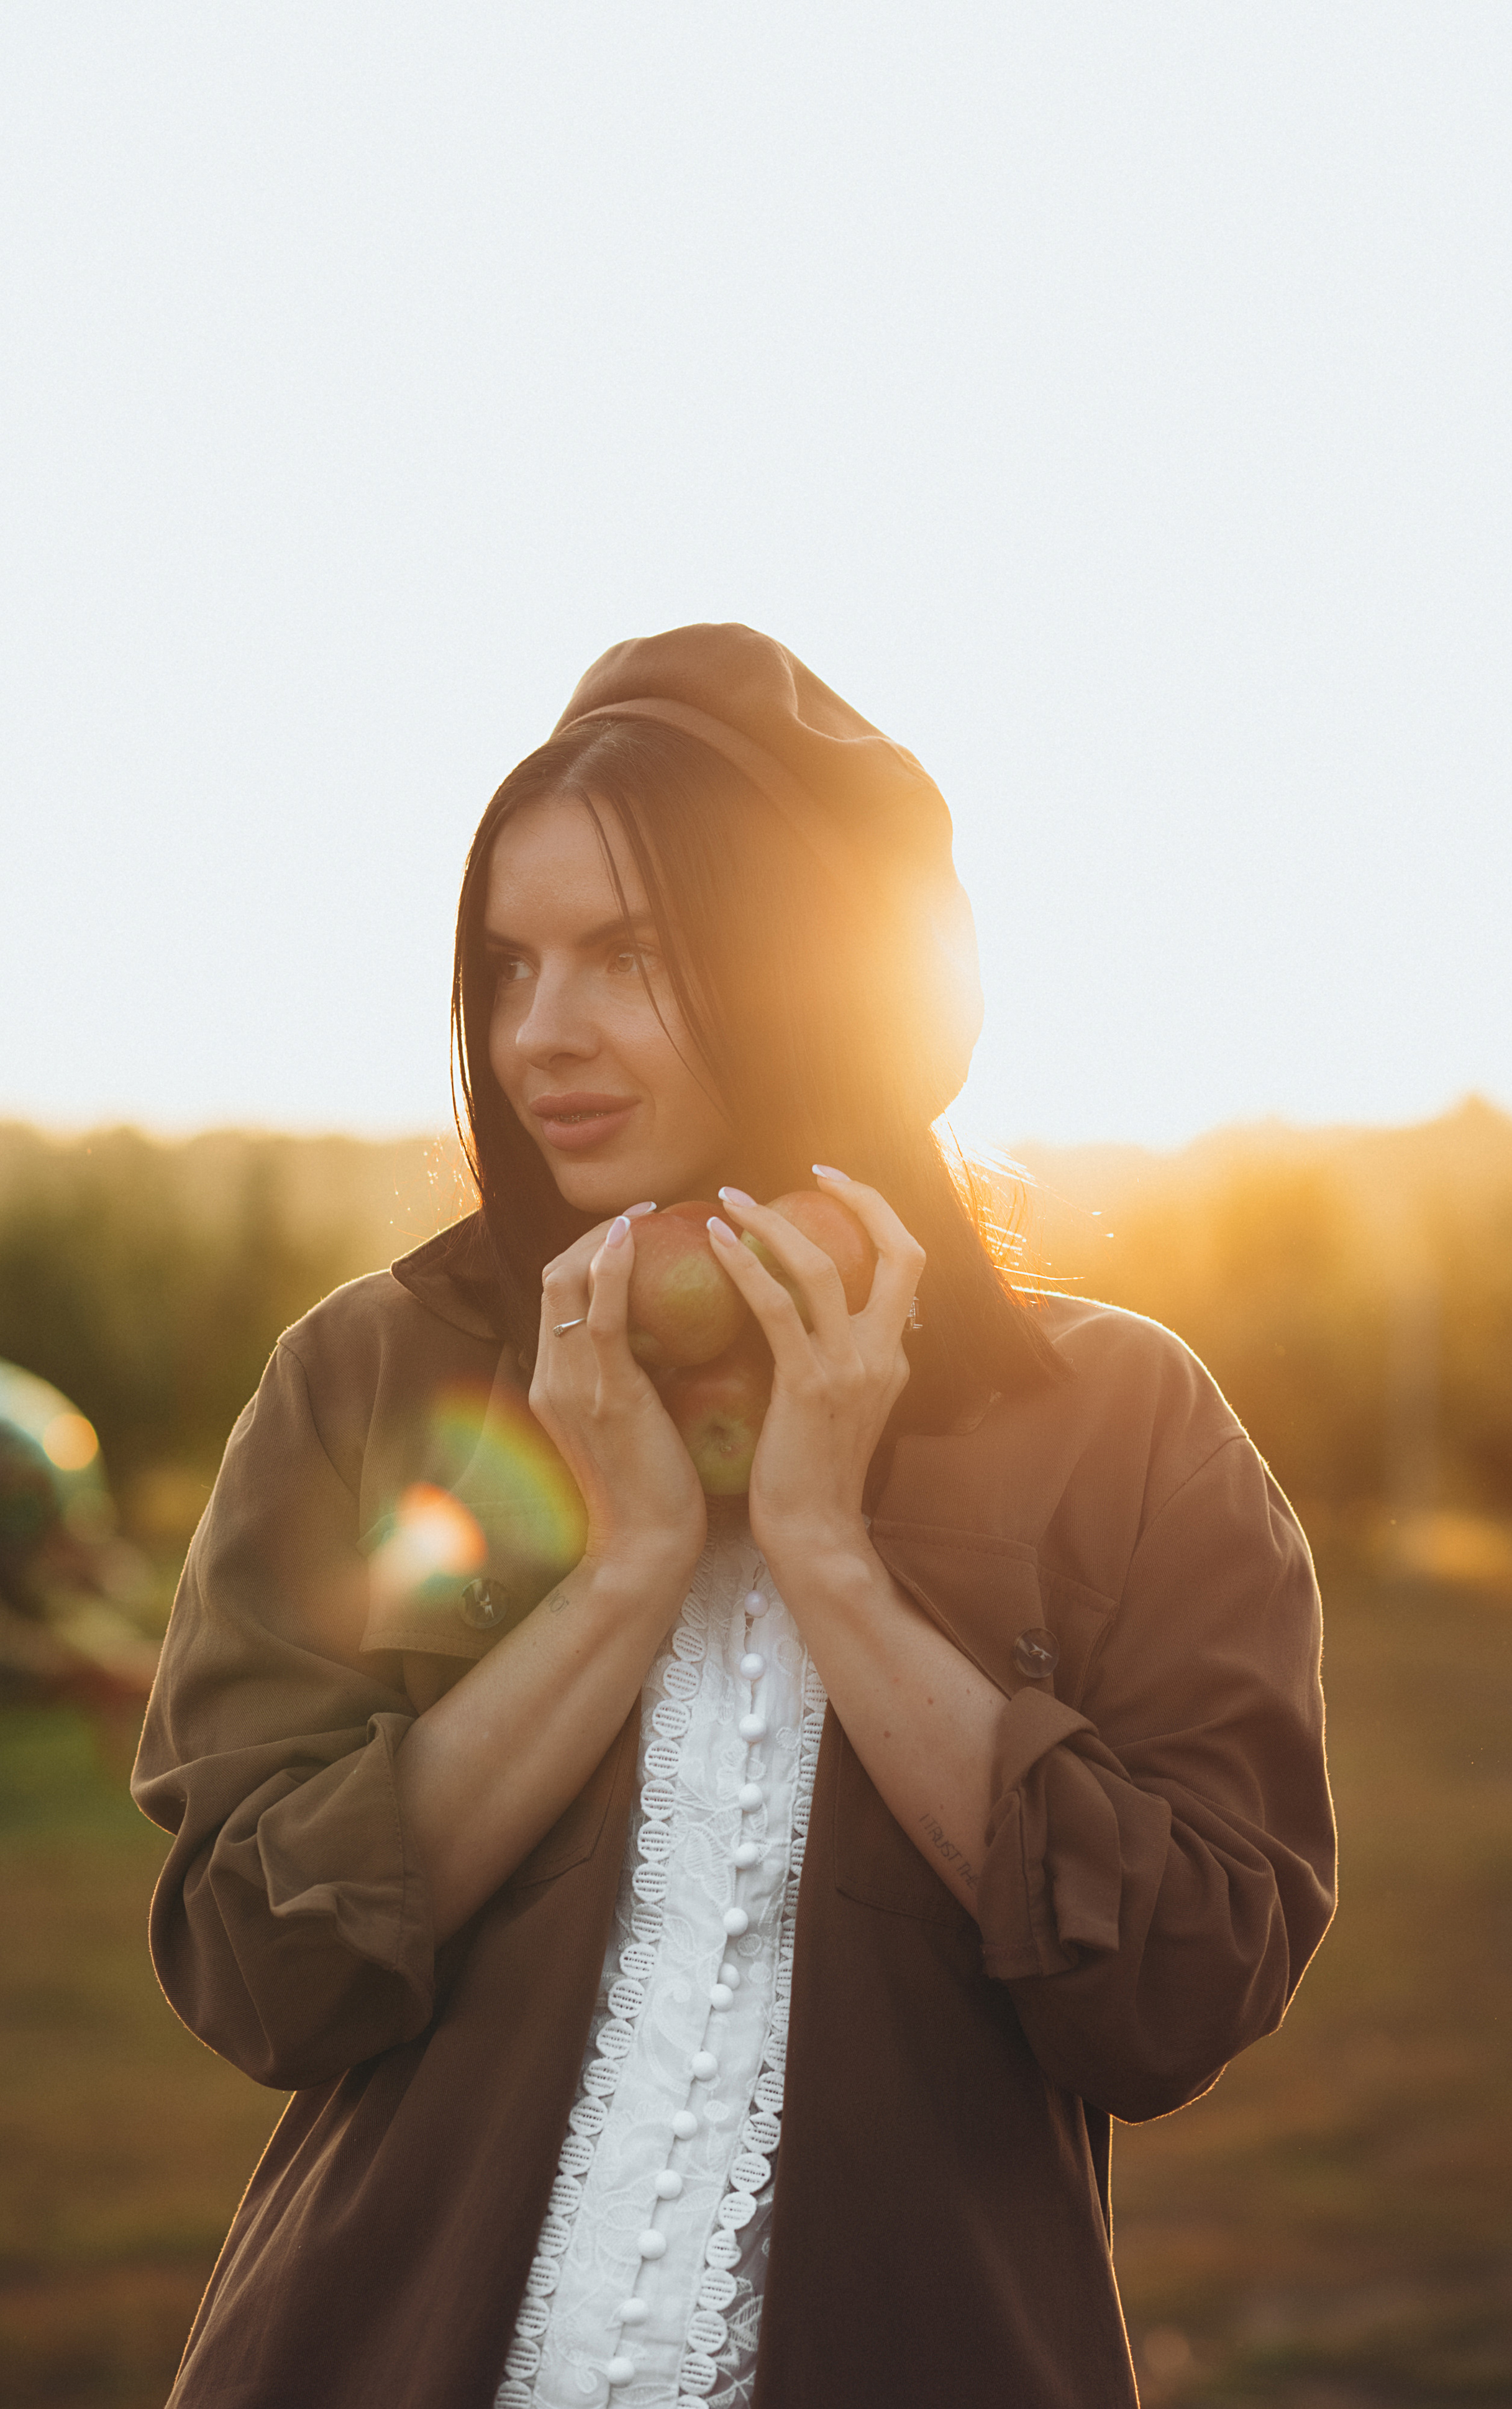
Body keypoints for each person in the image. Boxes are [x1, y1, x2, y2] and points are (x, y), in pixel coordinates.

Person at [133, 623, 1335, 2409]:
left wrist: (831, 1562)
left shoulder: (1122, 1427)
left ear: (799, 972)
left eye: (631, 954)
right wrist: (619, 1576)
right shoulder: (370, 1380)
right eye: (509, 964)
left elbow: (1179, 1996)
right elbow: (252, 1969)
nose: (545, 1035)